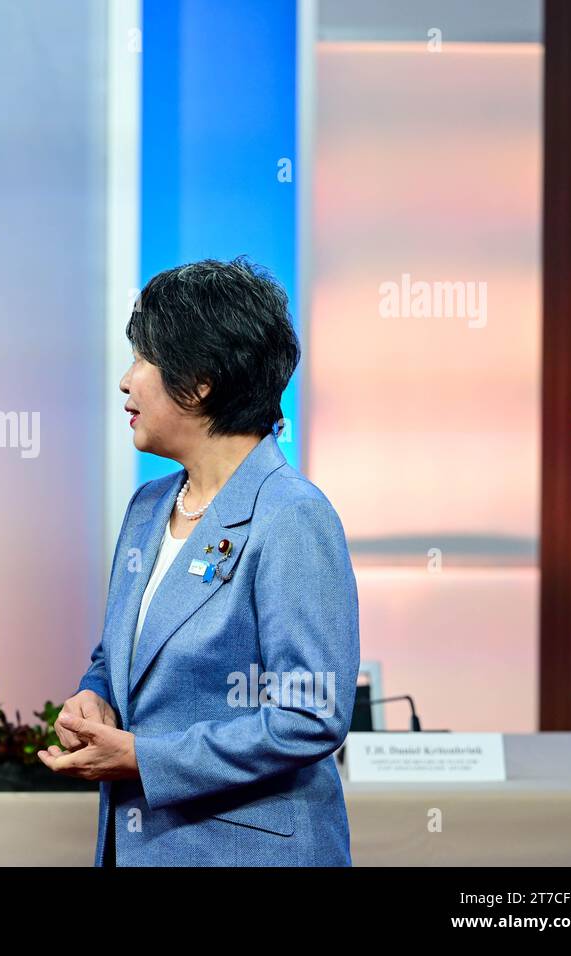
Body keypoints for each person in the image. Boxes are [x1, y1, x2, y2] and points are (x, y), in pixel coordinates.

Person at [39, 257, 359, 866]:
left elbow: (310, 715)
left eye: (143, 361)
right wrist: (93, 697)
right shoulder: (148, 506)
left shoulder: (292, 516)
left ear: (201, 380)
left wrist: (143, 758)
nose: (126, 381)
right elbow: (117, 659)